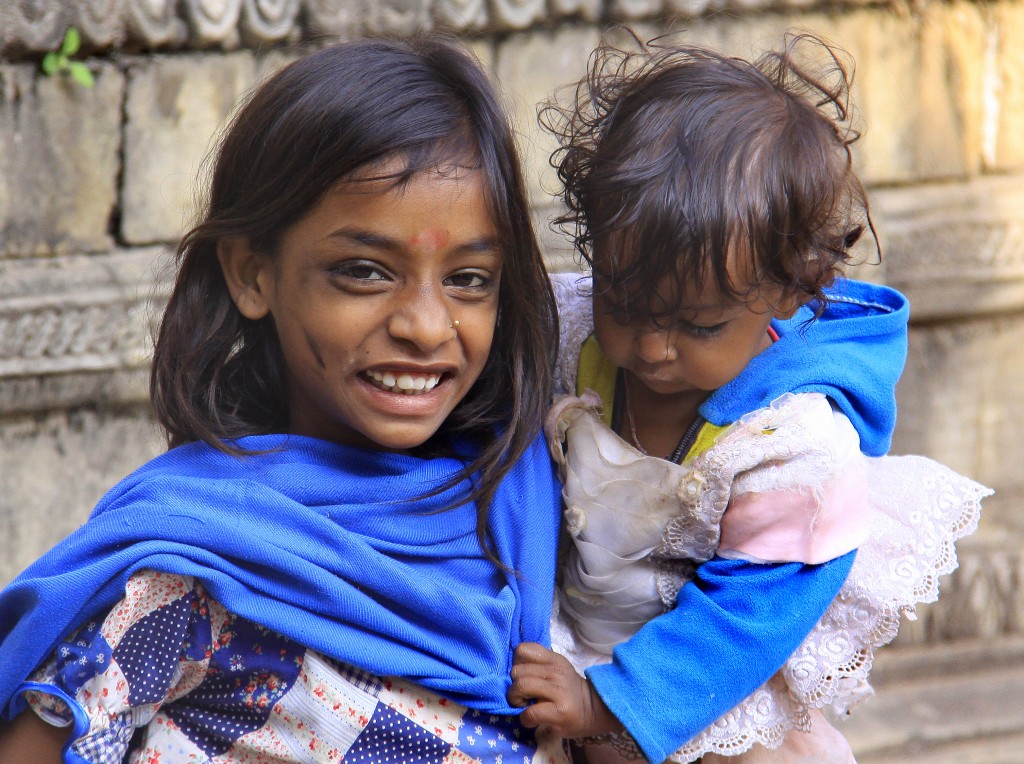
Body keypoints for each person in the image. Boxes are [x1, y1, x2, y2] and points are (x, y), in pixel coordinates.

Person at [0, 35, 571, 763]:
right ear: (252, 274)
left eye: (468, 280)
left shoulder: (526, 515)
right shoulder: (192, 566)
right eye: (364, 272)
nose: (426, 326)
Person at [507, 33, 991, 763]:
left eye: (696, 324)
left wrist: (607, 703)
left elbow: (747, 620)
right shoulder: (575, 337)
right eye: (626, 302)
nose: (650, 347)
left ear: (791, 290)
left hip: (704, 698)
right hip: (568, 649)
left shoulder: (789, 446)